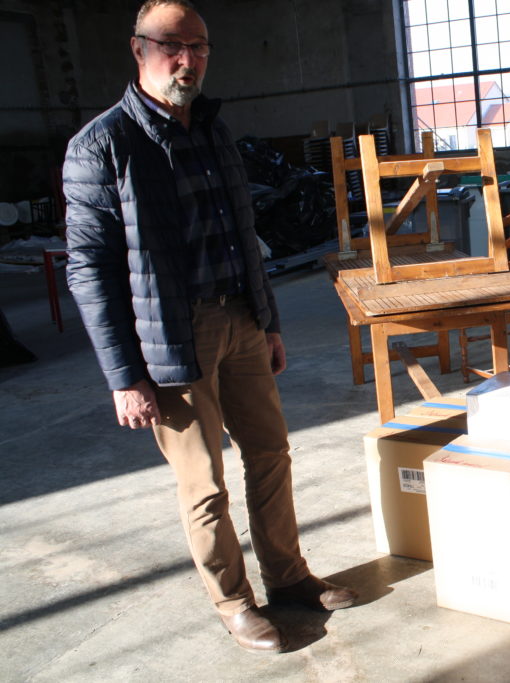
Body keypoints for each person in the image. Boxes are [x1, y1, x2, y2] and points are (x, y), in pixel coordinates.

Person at [63, 0, 356, 653]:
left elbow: (243, 236)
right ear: (138, 49)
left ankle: (288, 576)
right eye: (172, 45)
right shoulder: (102, 145)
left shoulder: (213, 131)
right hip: (170, 336)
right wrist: (124, 376)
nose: (187, 59)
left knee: (271, 453)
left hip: (241, 319)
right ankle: (234, 602)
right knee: (204, 482)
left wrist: (268, 321)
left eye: (198, 46)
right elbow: (89, 270)